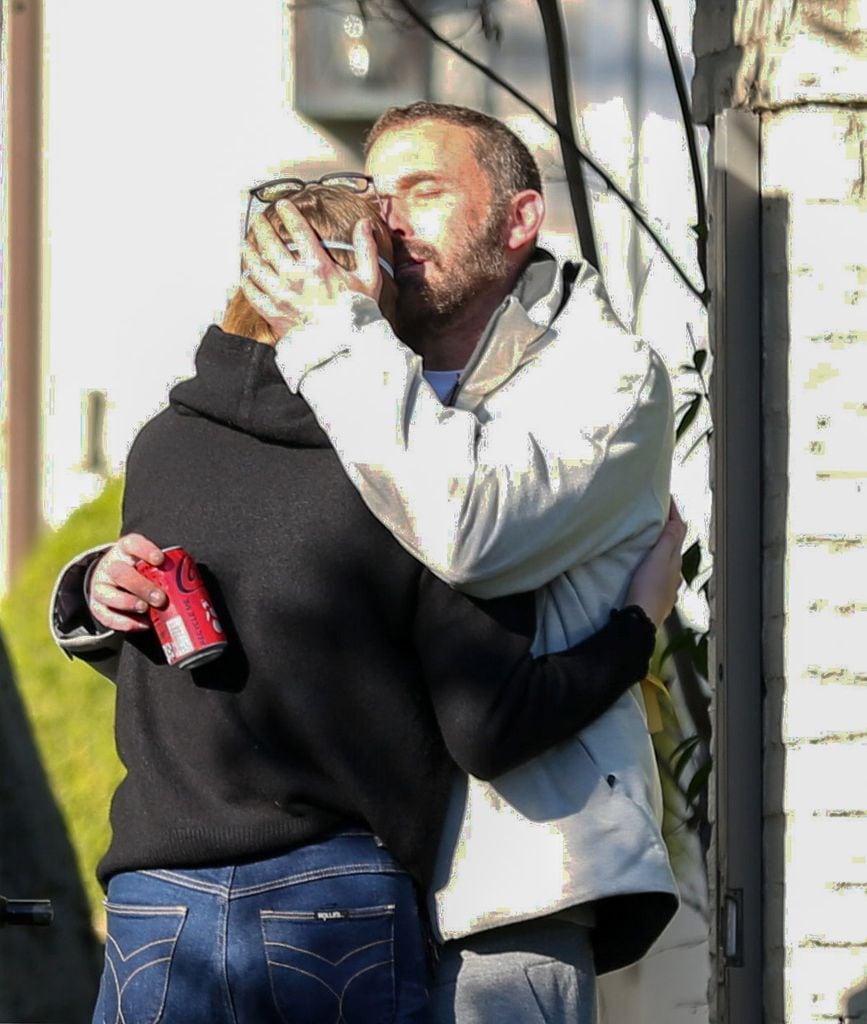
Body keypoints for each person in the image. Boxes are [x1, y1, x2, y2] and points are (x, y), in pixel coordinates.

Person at [52, 183, 685, 1024]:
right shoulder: (398, 466)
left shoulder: (165, 441)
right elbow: (488, 725)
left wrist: (87, 589)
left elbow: (185, 648)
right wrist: (637, 622)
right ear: (356, 280)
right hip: (333, 893)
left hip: (157, 892)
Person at [235, 102, 681, 1023]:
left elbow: (469, 529)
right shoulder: (356, 354)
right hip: (324, 884)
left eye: (424, 191)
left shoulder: (603, 377)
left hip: (505, 887)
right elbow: (243, 513)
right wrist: (98, 582)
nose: (388, 220)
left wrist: (332, 336)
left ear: (519, 221)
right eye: (376, 195)